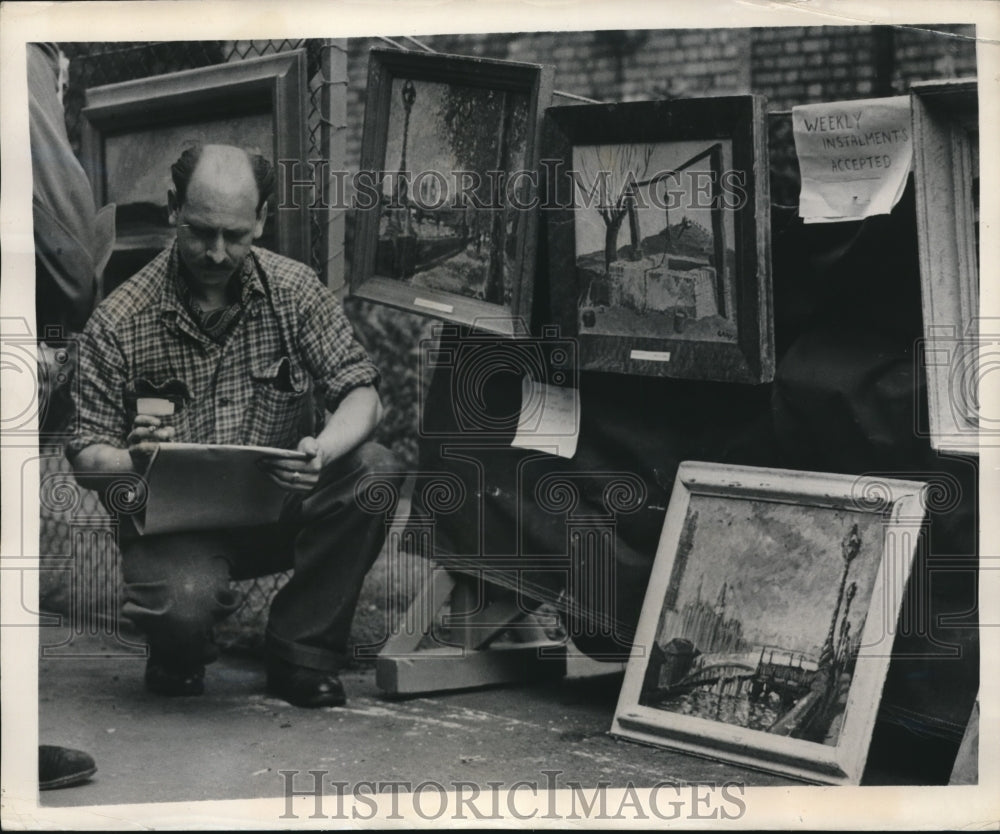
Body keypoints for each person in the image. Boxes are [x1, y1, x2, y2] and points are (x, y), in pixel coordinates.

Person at [67, 144, 398, 708]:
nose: (217, 254)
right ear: (174, 208)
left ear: (262, 220)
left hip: (279, 508)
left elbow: (361, 393)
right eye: (200, 232)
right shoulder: (119, 320)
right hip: (175, 529)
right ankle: (178, 648)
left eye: (237, 236)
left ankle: (301, 651)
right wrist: (133, 460)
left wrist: (322, 448)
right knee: (184, 603)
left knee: (374, 470)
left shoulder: (294, 291)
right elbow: (84, 451)